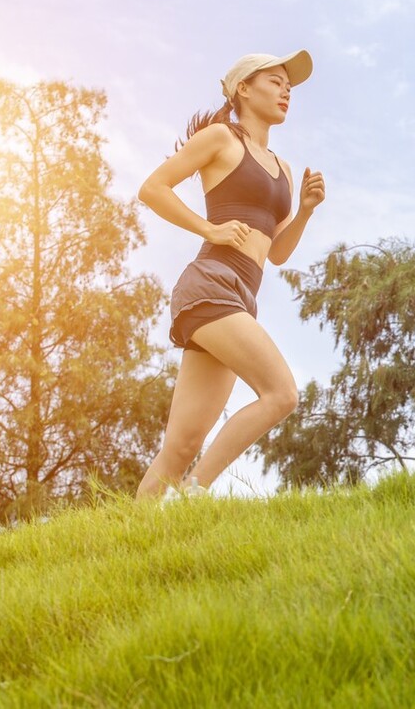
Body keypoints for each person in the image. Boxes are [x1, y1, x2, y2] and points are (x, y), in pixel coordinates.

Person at [134, 51, 325, 500]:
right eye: (276, 81)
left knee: (181, 446)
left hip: (242, 295)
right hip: (212, 281)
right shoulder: (221, 138)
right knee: (281, 393)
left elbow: (276, 253)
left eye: (289, 87)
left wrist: (305, 212)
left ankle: (129, 536)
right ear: (243, 88)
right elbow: (152, 188)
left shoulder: (283, 169)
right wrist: (207, 227)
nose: (286, 91)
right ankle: (193, 497)